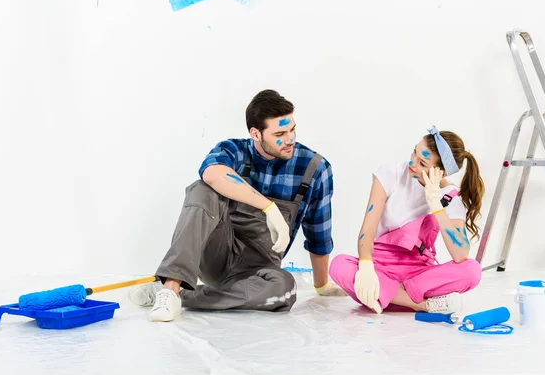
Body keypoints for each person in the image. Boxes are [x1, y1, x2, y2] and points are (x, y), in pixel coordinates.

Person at [128, 89, 346, 322]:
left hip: (260, 272)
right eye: (280, 133)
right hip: (217, 255)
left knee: (285, 289)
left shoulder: (314, 168)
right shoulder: (234, 151)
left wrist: (321, 284)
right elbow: (212, 173)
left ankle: (182, 295)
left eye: (293, 129)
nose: (290, 139)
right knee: (202, 189)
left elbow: (318, 234)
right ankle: (170, 288)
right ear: (256, 134)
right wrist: (268, 208)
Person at [328, 126, 484, 314]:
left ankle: (388, 296)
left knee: (472, 270)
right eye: (414, 153)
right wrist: (366, 267)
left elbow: (460, 254)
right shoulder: (391, 173)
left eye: (422, 163)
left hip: (418, 274)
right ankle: (420, 304)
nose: (412, 163)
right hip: (380, 269)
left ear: (441, 174)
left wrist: (435, 203)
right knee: (339, 265)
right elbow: (367, 231)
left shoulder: (450, 198)